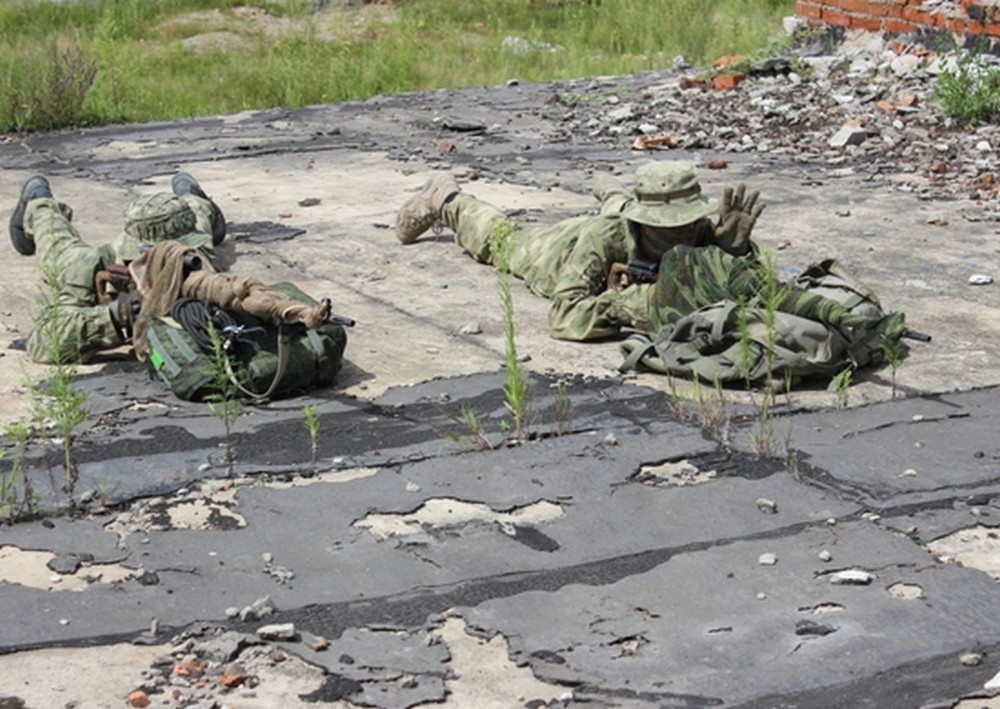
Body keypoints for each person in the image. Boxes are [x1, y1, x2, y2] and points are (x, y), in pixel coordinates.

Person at [396, 160, 904, 343]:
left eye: (687, 223)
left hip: (624, 212)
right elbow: (564, 314)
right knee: (503, 241)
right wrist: (635, 304)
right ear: (646, 223)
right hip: (557, 249)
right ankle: (447, 197)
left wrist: (735, 249)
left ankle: (612, 191)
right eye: (666, 227)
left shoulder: (701, 230)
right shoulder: (604, 241)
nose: (680, 235)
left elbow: (742, 288)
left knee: (621, 206)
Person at [8, 171, 226, 364]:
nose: (174, 261)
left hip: (187, 230)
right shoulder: (93, 265)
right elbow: (42, 342)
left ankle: (192, 196)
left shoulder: (193, 254)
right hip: (83, 259)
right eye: (165, 257)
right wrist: (116, 315)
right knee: (56, 246)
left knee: (199, 217)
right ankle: (38, 200)